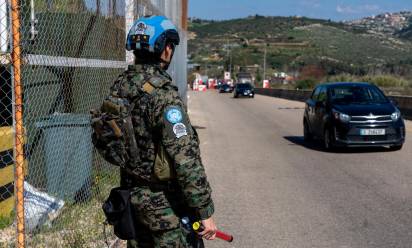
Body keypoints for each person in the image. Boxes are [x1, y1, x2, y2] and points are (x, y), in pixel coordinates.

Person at [109, 15, 217, 247]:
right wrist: (204, 210)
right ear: (166, 49)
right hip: (165, 208)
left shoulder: (120, 87)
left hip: (131, 199)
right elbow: (185, 159)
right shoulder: (163, 95)